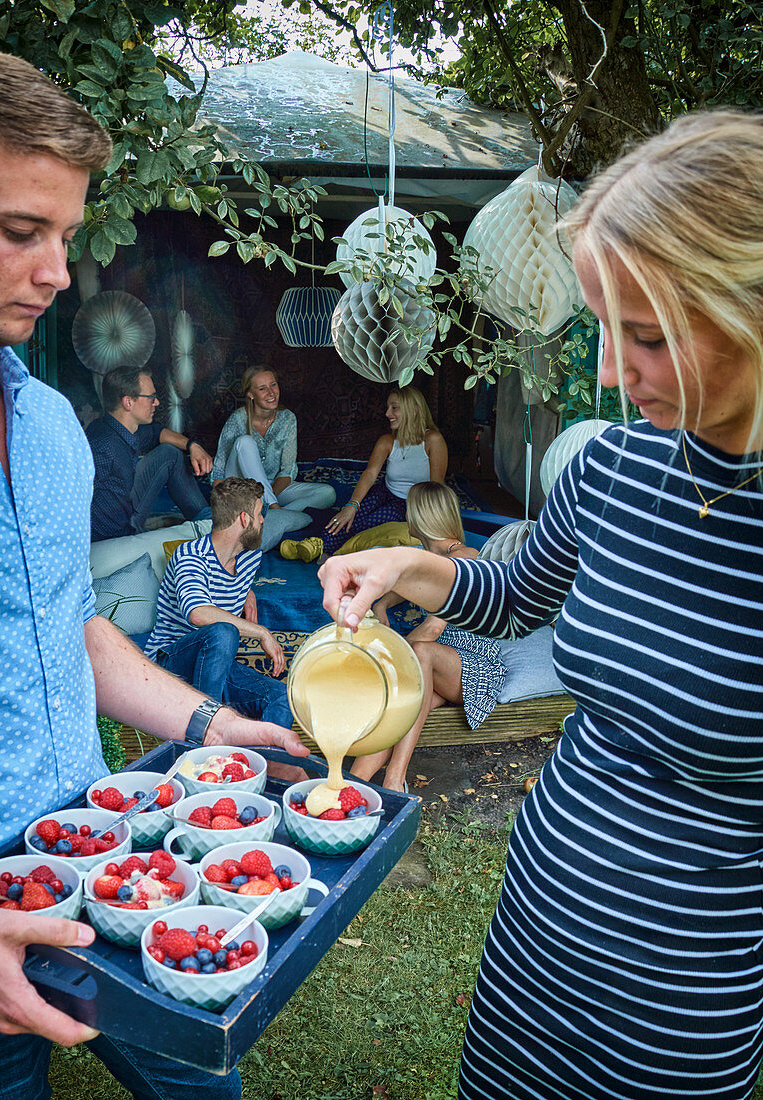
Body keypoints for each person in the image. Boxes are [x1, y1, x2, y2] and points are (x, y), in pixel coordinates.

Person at [320, 111, 763, 1100]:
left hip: (680, 989)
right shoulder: (609, 467)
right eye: (603, 327)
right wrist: (402, 568)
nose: (608, 373)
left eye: (644, 335)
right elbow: (511, 596)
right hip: (536, 928)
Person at [0, 44, 307, 1100]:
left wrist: (215, 725)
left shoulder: (58, 424)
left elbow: (72, 624)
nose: (60, 271)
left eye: (64, 234)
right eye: (22, 231)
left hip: (110, 859)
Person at [351, 482, 505, 792]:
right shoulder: (425, 555)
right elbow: (399, 586)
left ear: (422, 516)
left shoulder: (466, 558)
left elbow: (434, 629)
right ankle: (349, 789)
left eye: (410, 509)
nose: (405, 514)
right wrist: (381, 605)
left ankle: (395, 780)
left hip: (476, 666)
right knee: (397, 712)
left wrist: (389, 657)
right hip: (439, 665)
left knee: (420, 651)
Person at [145, 477, 292, 727]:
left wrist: (247, 592)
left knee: (284, 698)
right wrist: (261, 632)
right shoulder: (190, 557)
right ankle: (207, 736)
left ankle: (268, 762)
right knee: (224, 632)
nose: (263, 520)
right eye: (259, 514)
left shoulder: (250, 556)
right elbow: (198, 614)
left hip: (215, 667)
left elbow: (227, 579)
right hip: (170, 665)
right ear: (244, 519)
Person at [281, 384, 448, 563]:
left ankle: (335, 553)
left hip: (414, 503)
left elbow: (436, 486)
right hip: (385, 492)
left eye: (394, 408)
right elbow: (370, 473)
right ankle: (316, 545)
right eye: (388, 407)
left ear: (414, 410)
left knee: (373, 521)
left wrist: (423, 518)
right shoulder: (387, 441)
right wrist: (351, 506)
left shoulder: (432, 440)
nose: (387, 413)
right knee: (348, 516)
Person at [212, 365, 336, 549]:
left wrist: (267, 499)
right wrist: (233, 503)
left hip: (272, 490)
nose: (271, 393)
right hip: (240, 490)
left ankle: (272, 515)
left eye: (274, 385)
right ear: (250, 394)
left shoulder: (287, 419)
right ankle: (279, 514)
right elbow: (218, 475)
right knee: (245, 442)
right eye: (262, 388)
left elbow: (286, 471)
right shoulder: (237, 420)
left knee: (327, 494)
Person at [86, 364, 213, 542]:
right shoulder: (104, 447)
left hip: (126, 507)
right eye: (151, 398)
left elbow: (156, 432)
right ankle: (210, 529)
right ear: (128, 402)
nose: (157, 403)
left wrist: (193, 446)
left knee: (170, 453)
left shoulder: (120, 426)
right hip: (115, 539)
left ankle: (208, 520)